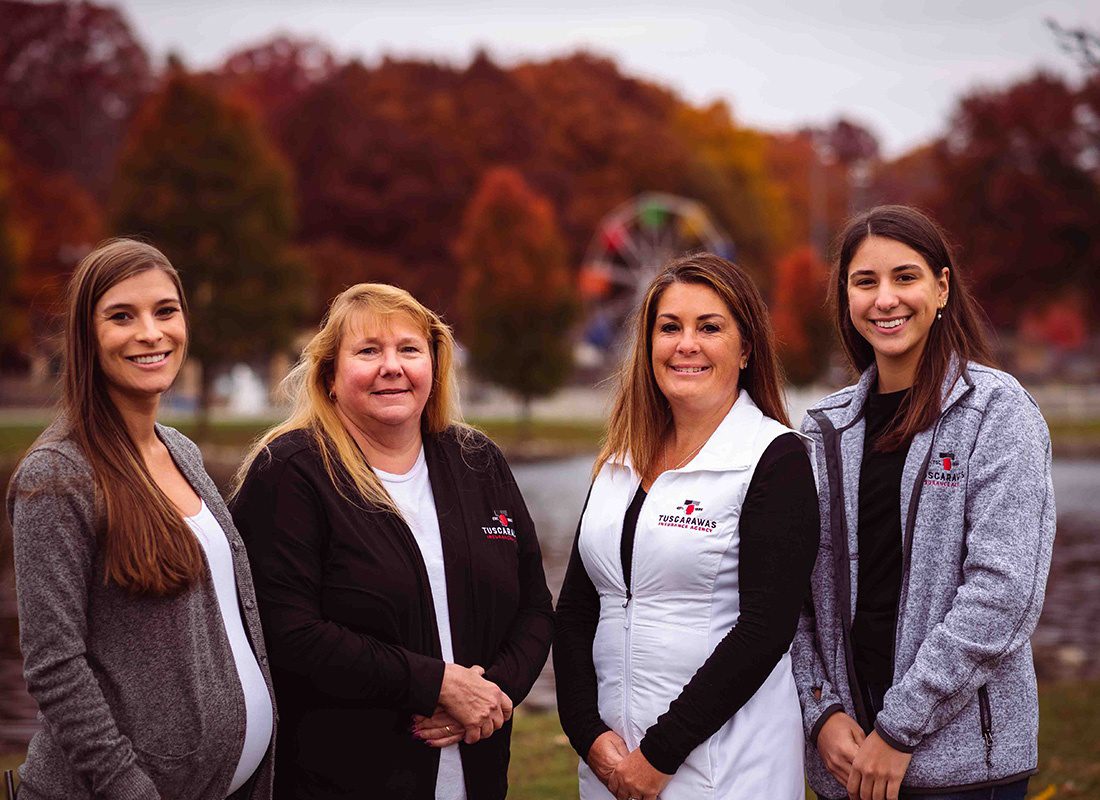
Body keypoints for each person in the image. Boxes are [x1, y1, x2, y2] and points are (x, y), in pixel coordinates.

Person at [229, 283, 554, 800]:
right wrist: (437, 685)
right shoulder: (290, 472)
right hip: (340, 780)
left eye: (408, 349)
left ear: (434, 365)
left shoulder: (477, 461)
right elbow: (286, 631)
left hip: (478, 773)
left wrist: (494, 694)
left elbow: (535, 606)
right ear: (330, 377)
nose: (392, 366)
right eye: (367, 351)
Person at [792, 205, 1056, 800]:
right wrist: (821, 711)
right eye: (865, 282)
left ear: (941, 288)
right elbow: (795, 594)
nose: (885, 299)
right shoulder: (823, 431)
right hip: (847, 765)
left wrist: (898, 729)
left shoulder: (997, 413)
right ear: (846, 298)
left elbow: (1003, 593)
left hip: (964, 771)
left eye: (905, 277)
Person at [6, 239, 276, 800]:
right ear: (87, 336)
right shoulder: (56, 477)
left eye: (165, 311)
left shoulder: (180, 449)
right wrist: (130, 790)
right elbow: (55, 666)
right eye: (122, 316)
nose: (151, 332)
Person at [554, 253, 820, 800]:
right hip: (612, 768)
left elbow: (765, 630)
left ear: (745, 348)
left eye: (710, 328)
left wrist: (659, 754)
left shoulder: (774, 458)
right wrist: (588, 733)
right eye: (669, 327)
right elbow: (578, 611)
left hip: (723, 769)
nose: (686, 345)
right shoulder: (620, 461)